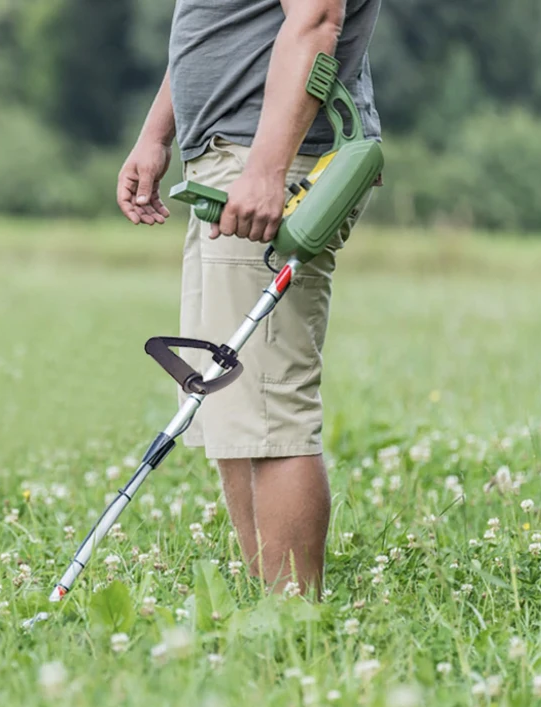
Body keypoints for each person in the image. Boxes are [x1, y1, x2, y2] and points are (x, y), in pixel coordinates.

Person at [117, 0, 381, 596]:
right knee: (231, 404)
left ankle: (292, 626)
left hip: (266, 161)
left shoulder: (264, 165)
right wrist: (158, 132)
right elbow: (218, 21)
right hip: (226, 156)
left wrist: (266, 168)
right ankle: (265, 607)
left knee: (267, 407)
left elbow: (315, 19)